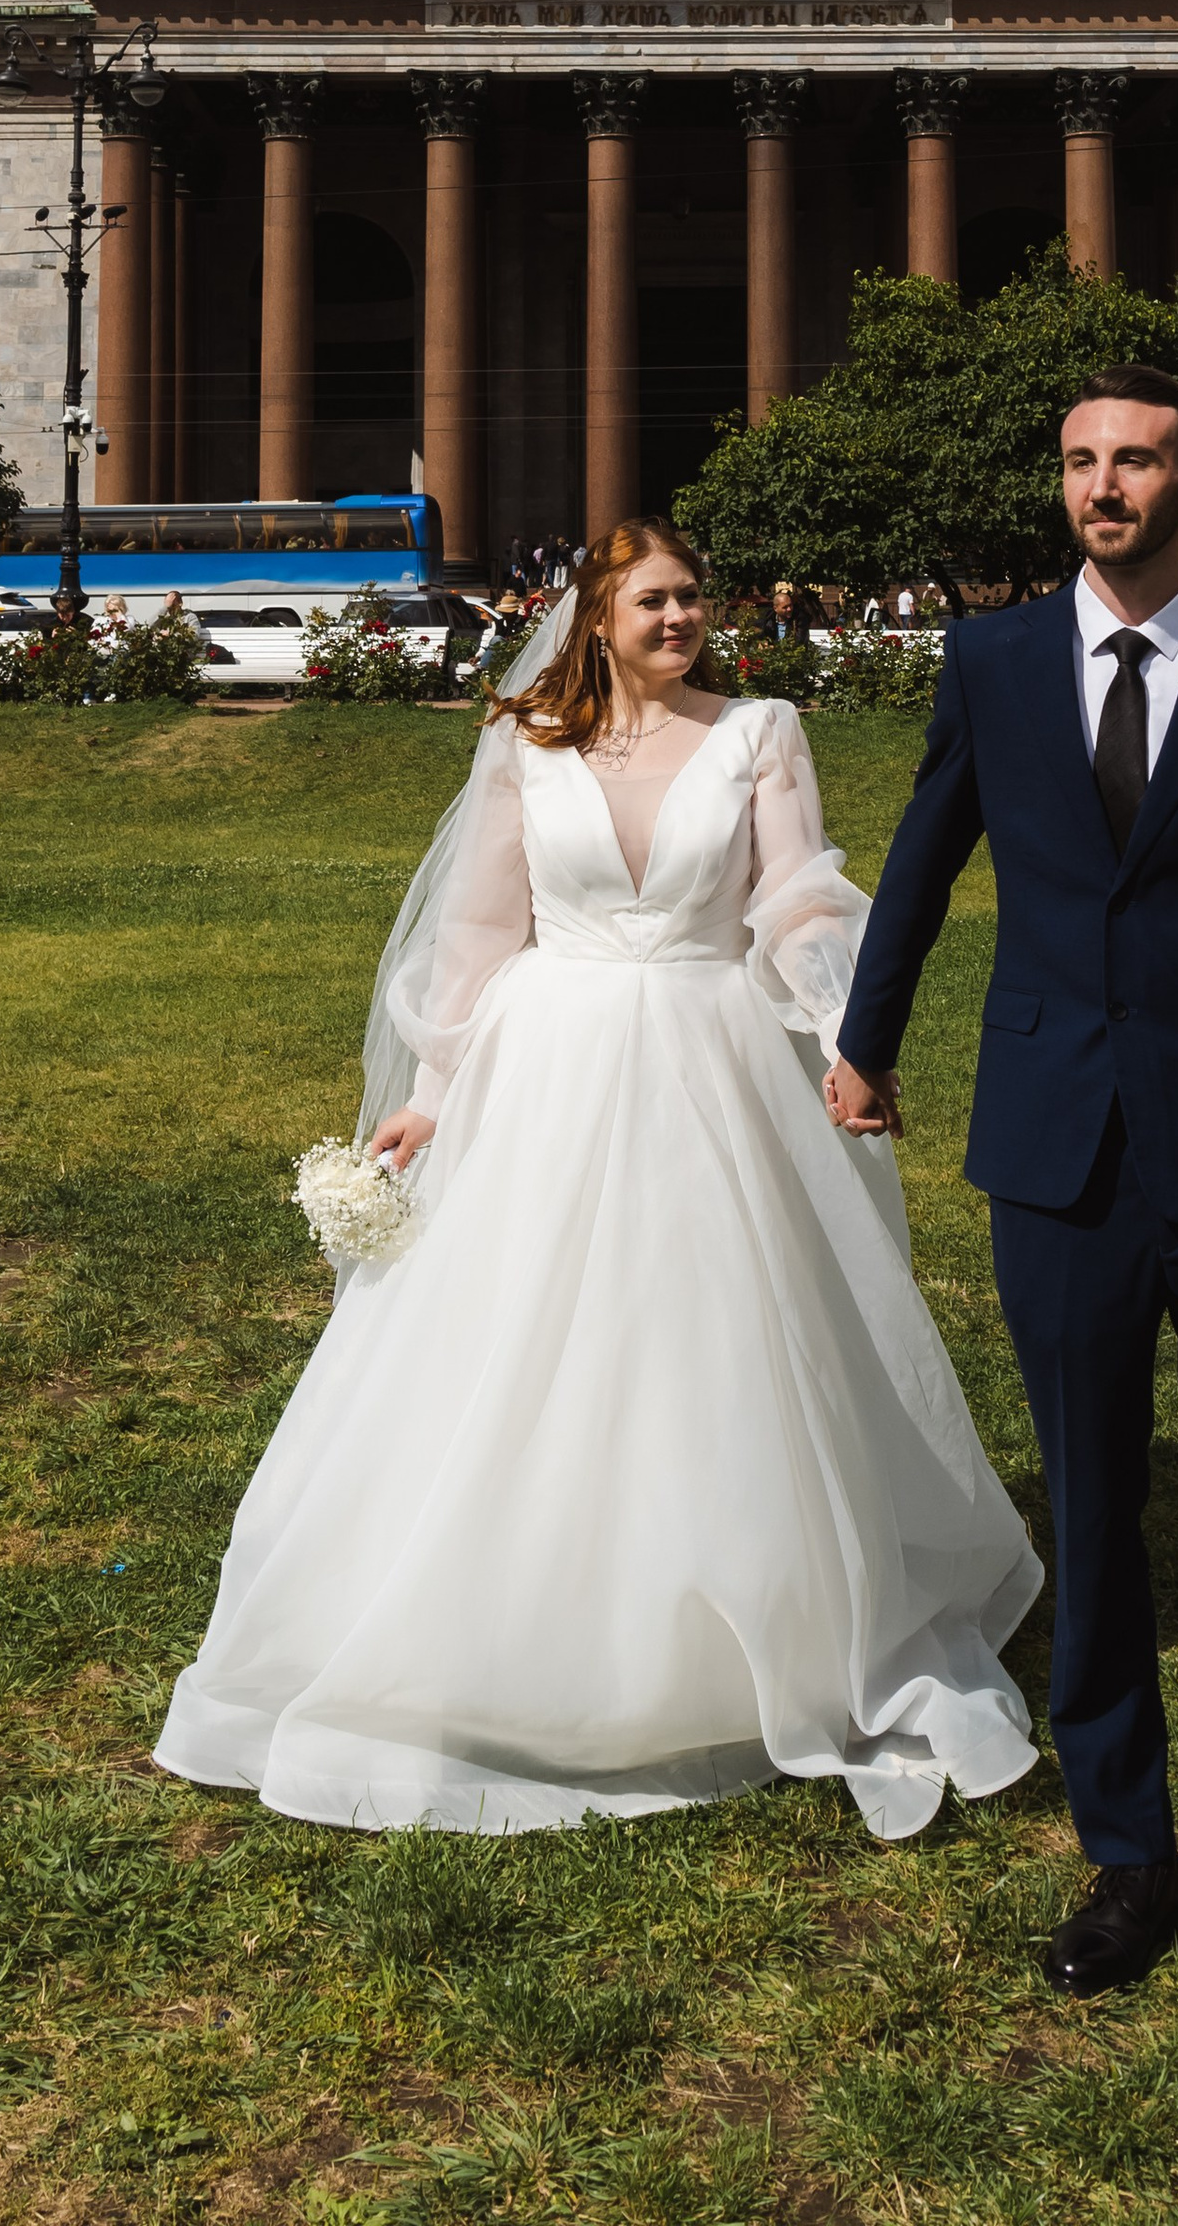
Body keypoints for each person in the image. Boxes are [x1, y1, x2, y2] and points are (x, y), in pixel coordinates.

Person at [156, 519, 1040, 1835]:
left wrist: (845, 1029)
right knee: (519, 1329)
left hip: (714, 1057)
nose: (680, 620)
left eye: (692, 598)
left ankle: (745, 1611)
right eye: (653, 602)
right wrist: (434, 1091)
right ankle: (509, 1603)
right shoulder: (525, 743)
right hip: (549, 1065)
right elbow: (480, 927)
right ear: (597, 617)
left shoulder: (759, 732)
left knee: (715, 1332)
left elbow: (797, 895)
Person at [828, 369, 1178, 2124]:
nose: (1104, 486)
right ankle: (1131, 1856)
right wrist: (866, 1038)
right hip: (1056, 1151)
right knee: (1092, 1512)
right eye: (1080, 461)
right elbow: (925, 857)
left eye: (1137, 460)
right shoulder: (993, 661)